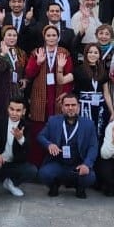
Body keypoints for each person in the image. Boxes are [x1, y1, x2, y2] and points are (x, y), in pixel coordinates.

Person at [25, 25, 74, 165]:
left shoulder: (64, 53)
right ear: (44, 37)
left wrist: (66, 92)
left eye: (54, 35)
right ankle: (37, 163)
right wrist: (38, 63)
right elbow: (29, 74)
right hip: (40, 95)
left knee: (57, 128)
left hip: (58, 95)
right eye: (49, 35)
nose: (51, 38)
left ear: (58, 37)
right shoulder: (37, 52)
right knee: (38, 130)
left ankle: (55, 163)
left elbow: (70, 74)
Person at [37, 93, 98, 198]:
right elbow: (40, 136)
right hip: (58, 163)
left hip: (77, 164)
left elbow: (93, 147)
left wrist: (86, 164)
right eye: (67, 105)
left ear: (78, 107)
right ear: (62, 107)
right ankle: (54, 186)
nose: (70, 108)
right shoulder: (53, 121)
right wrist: (49, 144)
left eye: (73, 105)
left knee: (90, 177)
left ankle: (80, 188)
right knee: (43, 173)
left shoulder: (88, 124)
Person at [0, 96, 36, 196]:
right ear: (8, 108)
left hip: (15, 164)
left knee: (32, 170)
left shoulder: (27, 126)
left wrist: (20, 138)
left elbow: (28, 149)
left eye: (18, 110)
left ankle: (11, 183)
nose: (14, 113)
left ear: (24, 111)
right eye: (12, 109)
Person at [74, 44, 112, 143]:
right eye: (90, 52)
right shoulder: (79, 70)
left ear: (99, 55)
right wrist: (60, 69)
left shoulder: (102, 71)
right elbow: (62, 81)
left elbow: (106, 93)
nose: (93, 55)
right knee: (85, 134)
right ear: (85, 54)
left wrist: (111, 111)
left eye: (96, 52)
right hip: (84, 106)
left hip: (100, 107)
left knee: (99, 134)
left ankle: (97, 157)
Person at [0, 25, 27, 117]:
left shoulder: (21, 53)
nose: (12, 38)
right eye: (9, 35)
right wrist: (3, 54)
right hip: (2, 93)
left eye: (14, 35)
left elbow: (24, 71)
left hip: (17, 93)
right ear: (3, 37)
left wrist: (25, 79)